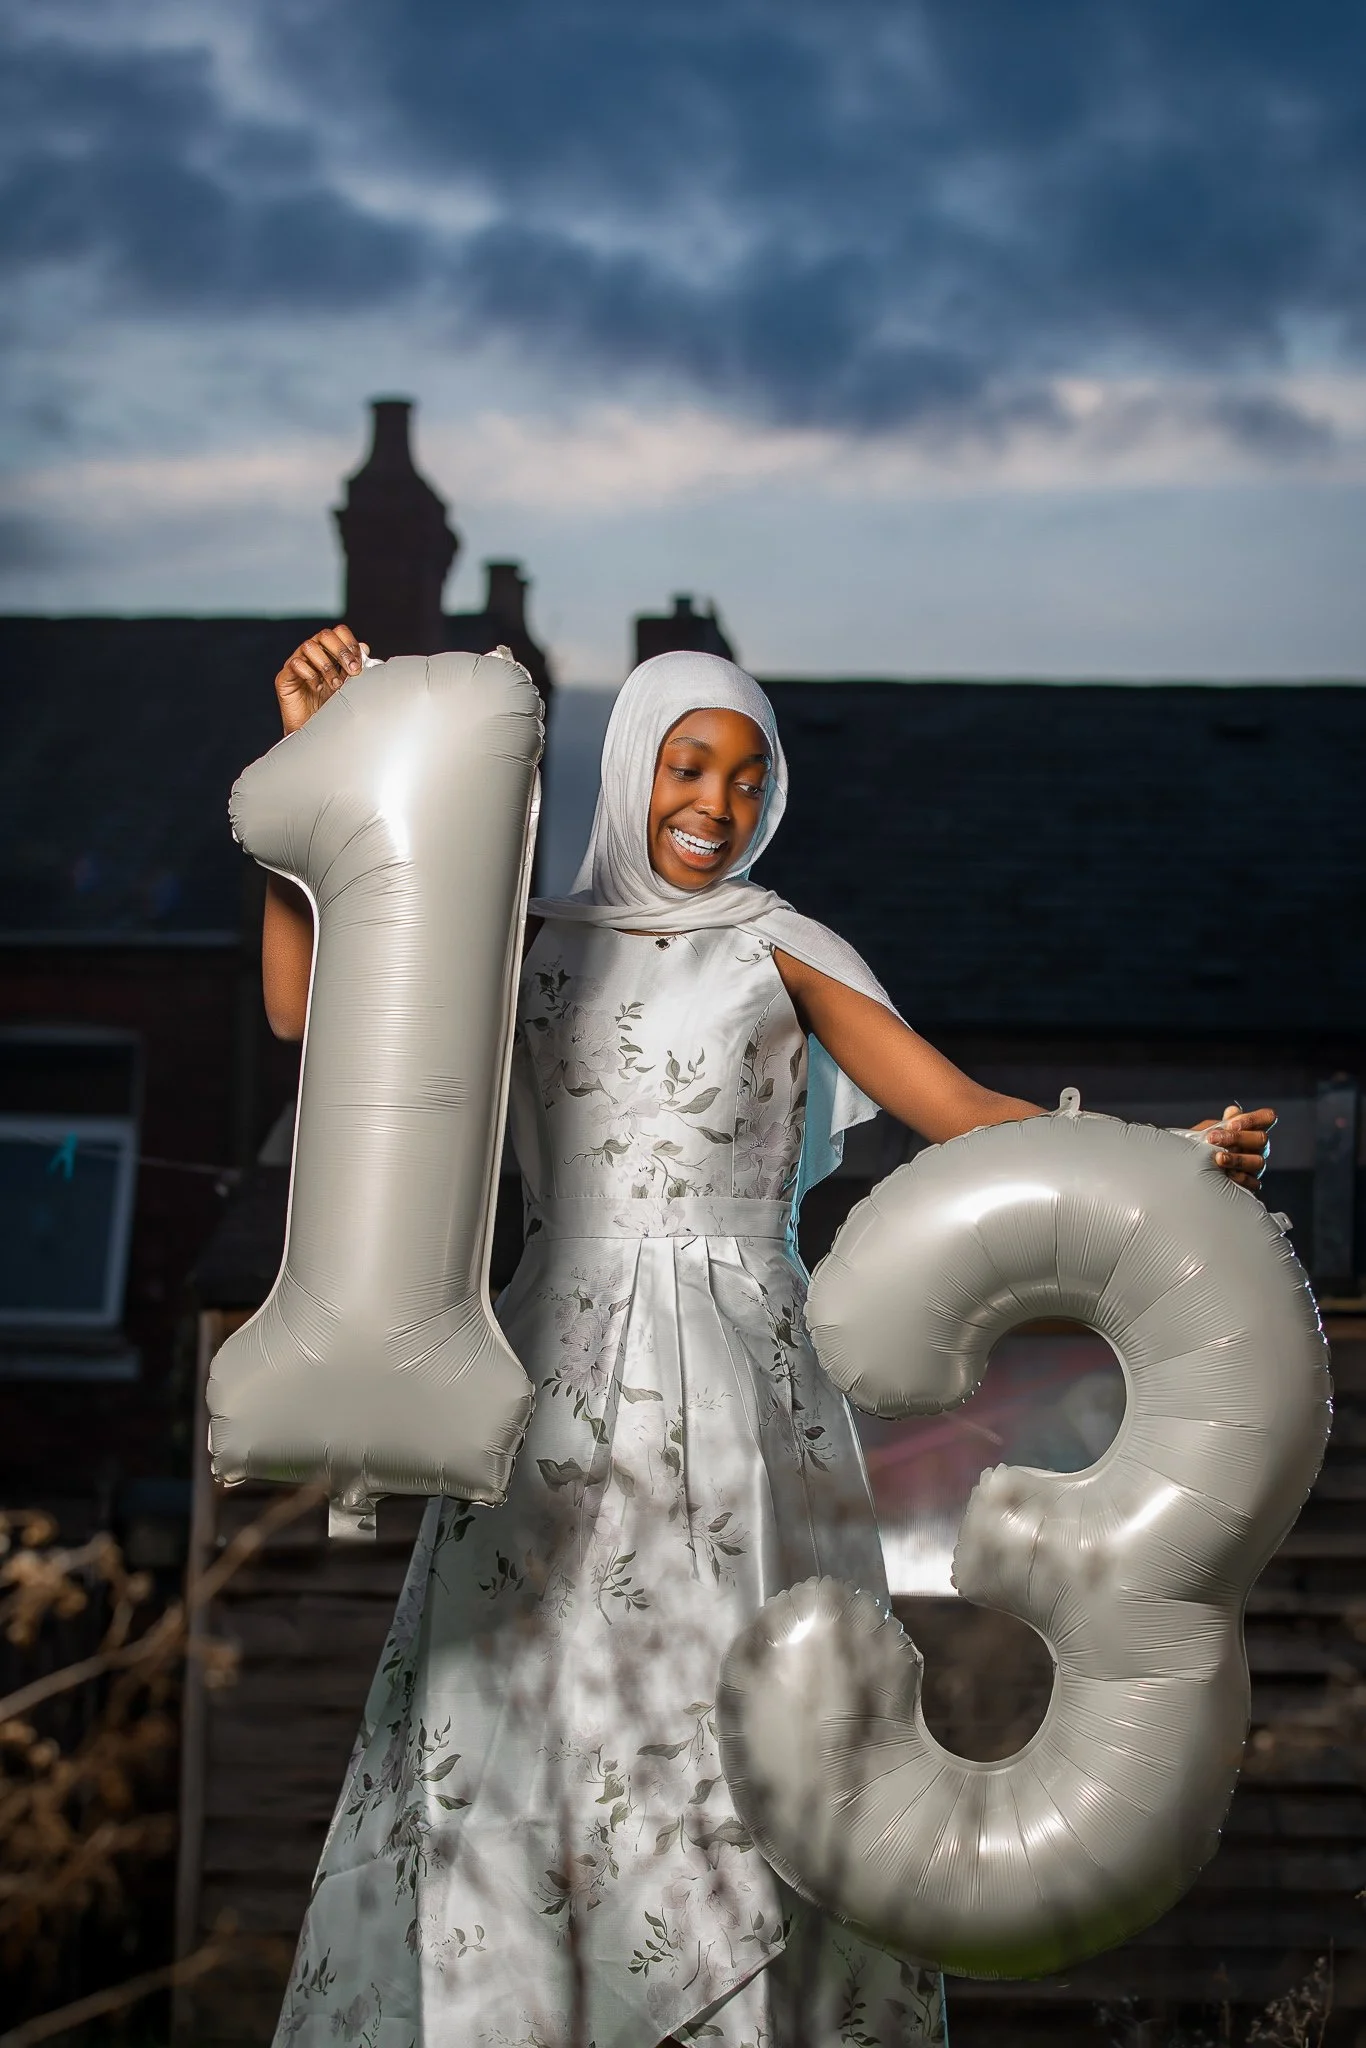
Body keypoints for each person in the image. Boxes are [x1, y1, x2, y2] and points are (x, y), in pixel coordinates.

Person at [260, 626, 1274, 2048]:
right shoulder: (518, 949)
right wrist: (309, 765)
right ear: (633, 768)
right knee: (526, 1710)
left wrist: (1167, 1157)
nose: (715, 806)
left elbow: (965, 1115)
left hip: (742, 1394)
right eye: (689, 767)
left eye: (747, 780)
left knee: (739, 1717)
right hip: (548, 1387)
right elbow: (314, 1012)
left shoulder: (784, 947)